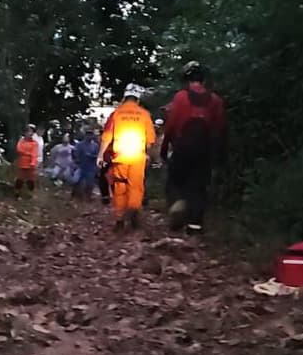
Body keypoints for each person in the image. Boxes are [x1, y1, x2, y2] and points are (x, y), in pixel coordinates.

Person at [161, 61, 227, 235]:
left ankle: (178, 204)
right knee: (198, 187)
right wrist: (217, 154)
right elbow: (219, 129)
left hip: (182, 148)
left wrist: (164, 147)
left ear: (186, 79)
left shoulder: (180, 97)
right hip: (204, 150)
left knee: (174, 182)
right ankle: (194, 226)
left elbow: (171, 125)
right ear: (203, 80)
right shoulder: (215, 101)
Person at [99, 84, 156, 231]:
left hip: (120, 157)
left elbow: (107, 136)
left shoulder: (117, 113)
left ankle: (119, 220)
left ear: (125, 97)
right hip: (137, 157)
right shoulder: (144, 114)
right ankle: (134, 213)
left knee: (120, 187)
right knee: (136, 187)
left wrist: (100, 155)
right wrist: (150, 155)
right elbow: (150, 140)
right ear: (138, 99)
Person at [14, 124, 43, 198]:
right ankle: (17, 193)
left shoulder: (34, 143)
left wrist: (33, 163)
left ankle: (30, 193)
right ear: (25, 132)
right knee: (19, 179)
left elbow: (34, 153)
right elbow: (19, 149)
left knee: (31, 180)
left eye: (32, 132)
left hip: (30, 164)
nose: (30, 133)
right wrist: (28, 153)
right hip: (21, 162)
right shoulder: (21, 141)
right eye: (28, 131)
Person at [72, 129, 100, 201]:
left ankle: (88, 197)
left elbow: (98, 156)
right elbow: (75, 154)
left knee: (90, 184)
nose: (89, 136)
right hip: (81, 166)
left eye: (91, 135)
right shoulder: (80, 145)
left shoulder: (95, 146)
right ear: (85, 135)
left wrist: (91, 156)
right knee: (77, 182)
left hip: (91, 167)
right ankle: (76, 196)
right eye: (88, 134)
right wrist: (76, 162)